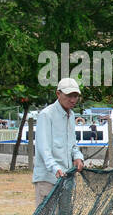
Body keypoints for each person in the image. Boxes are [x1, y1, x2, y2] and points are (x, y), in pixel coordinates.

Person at [31, 77, 85, 206]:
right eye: (69, 96)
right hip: (48, 179)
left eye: (76, 96)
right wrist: (55, 168)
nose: (73, 100)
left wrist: (78, 157)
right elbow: (43, 149)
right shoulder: (46, 115)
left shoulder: (71, 115)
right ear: (58, 94)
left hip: (66, 179)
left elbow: (72, 145)